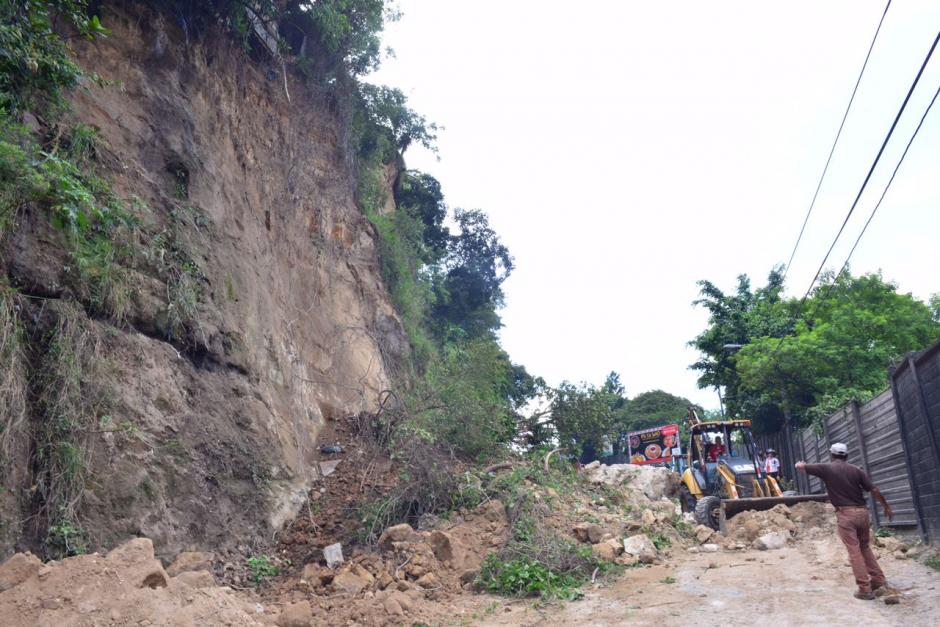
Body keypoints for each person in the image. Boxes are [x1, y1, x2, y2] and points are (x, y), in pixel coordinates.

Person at [796, 443, 894, 600]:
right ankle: (878, 580)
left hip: (846, 515)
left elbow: (802, 467)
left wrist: (799, 464)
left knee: (854, 551)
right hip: (863, 513)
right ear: (846, 456)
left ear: (832, 455)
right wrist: (886, 507)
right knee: (865, 547)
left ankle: (864, 589)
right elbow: (874, 490)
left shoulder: (826, 468)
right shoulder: (857, 470)